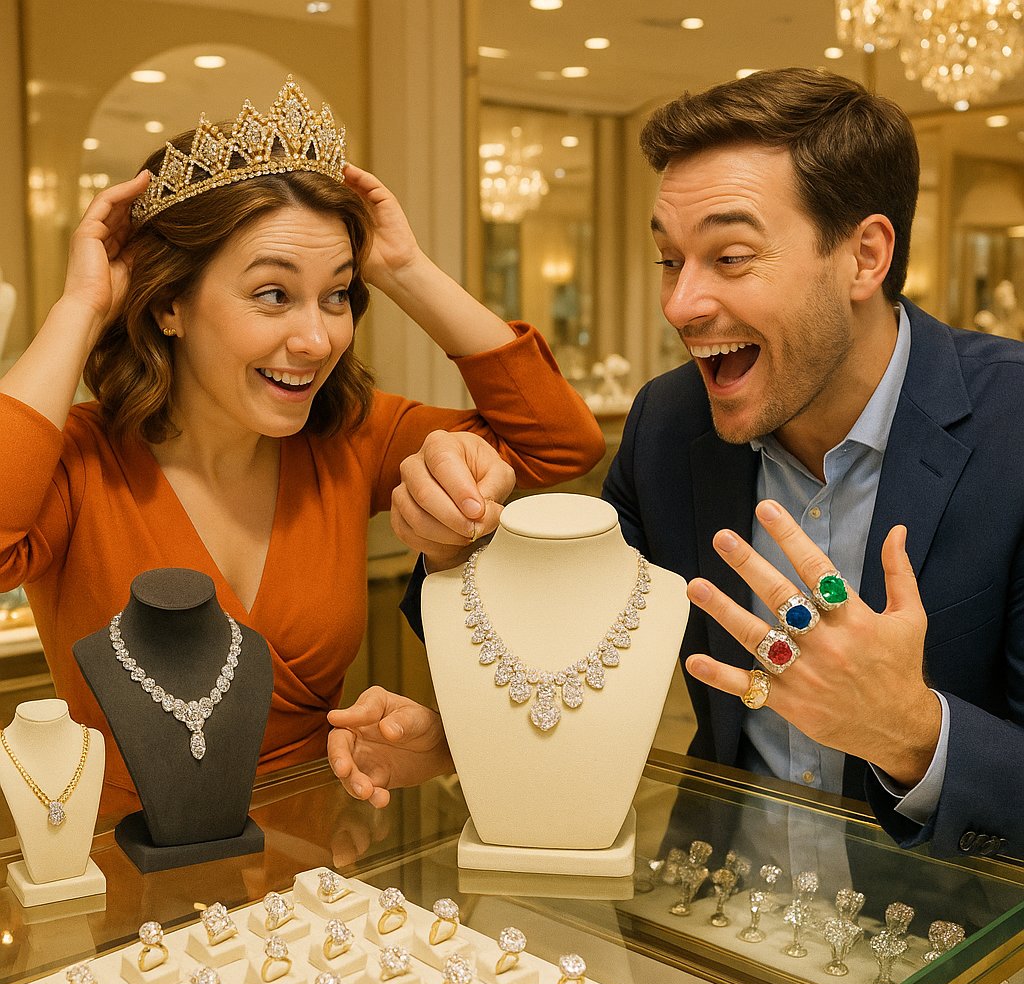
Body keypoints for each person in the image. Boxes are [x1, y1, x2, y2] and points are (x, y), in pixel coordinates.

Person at [340, 67, 1024, 861]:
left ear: (864, 257)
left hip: (952, 946)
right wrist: (451, 546)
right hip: (711, 914)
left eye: (730, 257)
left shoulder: (1012, 428)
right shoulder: (670, 423)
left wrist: (912, 735)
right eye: (671, 260)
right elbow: (562, 634)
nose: (681, 304)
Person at [0, 79, 604, 807]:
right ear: (169, 306)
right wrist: (82, 306)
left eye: (338, 294)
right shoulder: (79, 464)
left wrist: (403, 269)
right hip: (128, 880)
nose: (317, 339)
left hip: (320, 854)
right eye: (273, 295)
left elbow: (559, 442)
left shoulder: (349, 437)